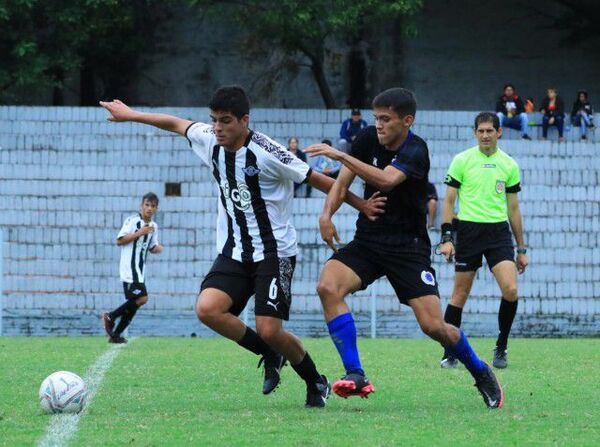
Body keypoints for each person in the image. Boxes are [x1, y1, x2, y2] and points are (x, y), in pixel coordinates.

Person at [100, 86, 385, 408]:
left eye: (225, 121)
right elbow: (175, 123)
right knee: (208, 309)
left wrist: (360, 205)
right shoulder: (209, 139)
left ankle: (314, 380)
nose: (218, 128)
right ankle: (269, 353)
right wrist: (131, 115)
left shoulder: (267, 151)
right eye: (214, 121)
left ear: (244, 121)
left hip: (275, 252)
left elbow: (316, 178)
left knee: (269, 328)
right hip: (235, 250)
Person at [305, 88, 504, 409]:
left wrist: (340, 154)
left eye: (386, 119)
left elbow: (385, 180)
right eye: (376, 118)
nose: (379, 125)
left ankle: (480, 370)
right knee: (327, 285)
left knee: (433, 326)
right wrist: (327, 214)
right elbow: (342, 183)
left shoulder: (416, 149)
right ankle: (355, 373)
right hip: (368, 240)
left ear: (407, 121)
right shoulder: (367, 139)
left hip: (407, 248)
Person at [439, 112, 528, 370]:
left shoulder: (509, 165)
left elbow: (513, 209)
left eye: (490, 130)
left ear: (499, 132)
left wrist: (521, 249)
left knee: (510, 290)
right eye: (481, 131)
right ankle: (450, 351)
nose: (486, 135)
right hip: (468, 232)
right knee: (459, 295)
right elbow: (448, 201)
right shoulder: (462, 160)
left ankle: (501, 345)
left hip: (498, 234)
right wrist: (447, 237)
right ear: (475, 133)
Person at [102, 193, 164, 343]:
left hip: (140, 270)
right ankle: (110, 316)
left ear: (156, 208)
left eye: (153, 206)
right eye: (147, 205)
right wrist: (138, 233)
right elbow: (120, 240)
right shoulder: (132, 221)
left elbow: (151, 246)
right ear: (141, 206)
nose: (149, 208)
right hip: (129, 269)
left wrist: (156, 248)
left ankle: (115, 334)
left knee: (135, 304)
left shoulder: (154, 226)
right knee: (143, 298)